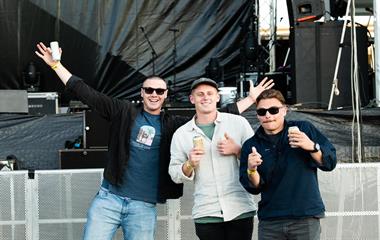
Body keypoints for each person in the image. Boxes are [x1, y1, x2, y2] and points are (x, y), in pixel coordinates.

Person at [35, 42, 273, 240]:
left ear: (166, 95)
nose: (154, 95)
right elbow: (86, 92)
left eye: (159, 91)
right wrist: (56, 65)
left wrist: (250, 99)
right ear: (142, 92)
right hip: (109, 199)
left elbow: (212, 112)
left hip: (143, 206)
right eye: (149, 90)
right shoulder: (123, 111)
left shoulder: (174, 125)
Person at [239, 89, 337, 240]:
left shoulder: (303, 129)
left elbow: (329, 163)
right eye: (262, 111)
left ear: (284, 110)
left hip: (304, 217)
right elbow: (254, 188)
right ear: (257, 115)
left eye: (273, 110)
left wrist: (311, 146)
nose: (268, 115)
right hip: (270, 220)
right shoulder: (251, 145)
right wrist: (251, 169)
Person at [169, 78, 257, 240]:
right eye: (200, 94)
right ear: (192, 99)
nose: (205, 97)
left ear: (217, 97)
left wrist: (237, 150)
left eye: (210, 93)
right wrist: (189, 164)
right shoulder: (182, 133)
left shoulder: (238, 123)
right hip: (206, 212)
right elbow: (174, 174)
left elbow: (257, 158)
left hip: (239, 209)